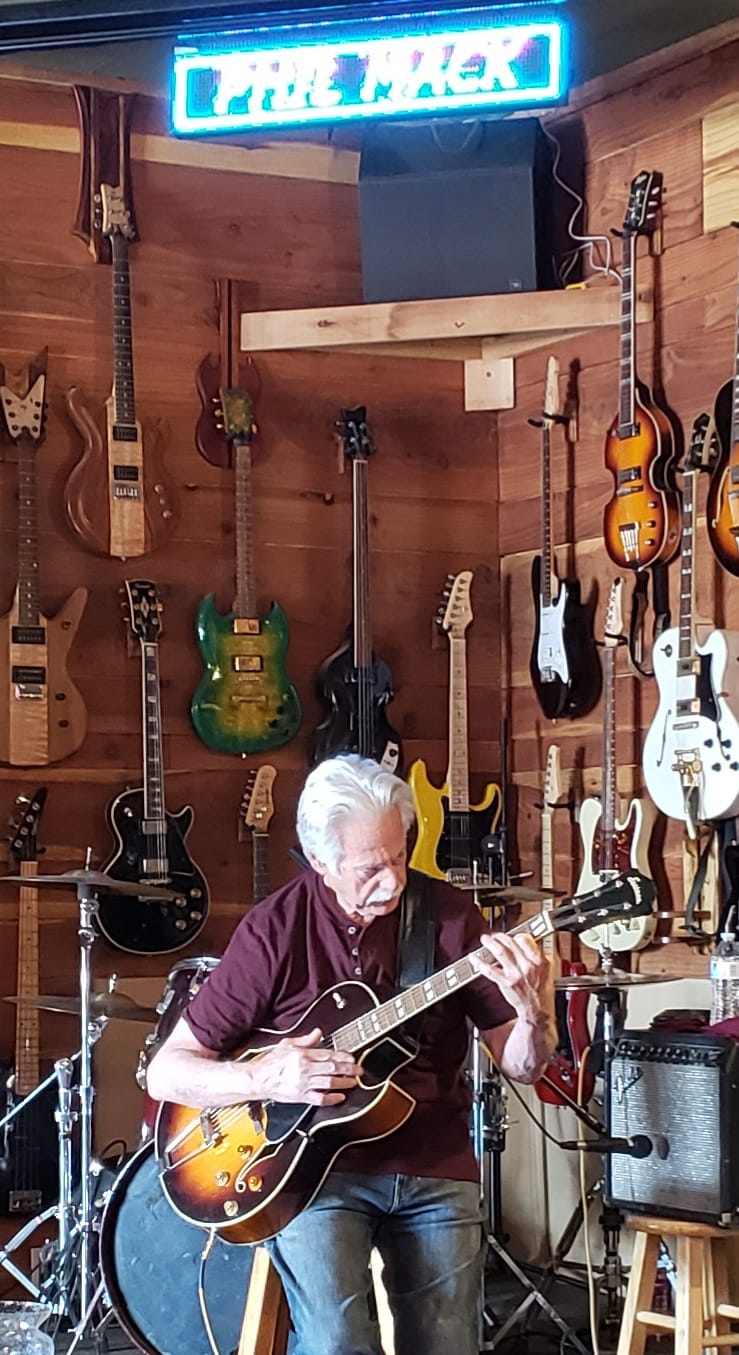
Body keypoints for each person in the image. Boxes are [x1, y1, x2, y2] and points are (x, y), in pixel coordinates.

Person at [147, 754, 557, 1355]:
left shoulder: (446, 916)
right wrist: (268, 1077)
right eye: (369, 868)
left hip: (433, 1161)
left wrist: (533, 1013)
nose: (391, 880)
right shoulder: (274, 930)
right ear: (319, 862)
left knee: (447, 1345)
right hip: (315, 1174)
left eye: (400, 856)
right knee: (339, 1343)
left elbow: (523, 1065)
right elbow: (168, 1072)